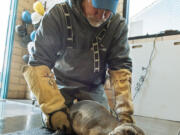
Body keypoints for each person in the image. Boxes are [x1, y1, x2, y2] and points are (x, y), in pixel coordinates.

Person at [23, 0, 142, 134]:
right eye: (97, 8)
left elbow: (120, 69)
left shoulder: (117, 25)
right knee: (55, 123)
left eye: (108, 11)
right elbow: (38, 62)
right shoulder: (58, 15)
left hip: (93, 87)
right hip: (62, 84)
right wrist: (53, 108)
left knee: (103, 126)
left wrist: (125, 118)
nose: (102, 16)